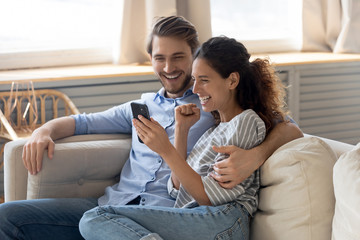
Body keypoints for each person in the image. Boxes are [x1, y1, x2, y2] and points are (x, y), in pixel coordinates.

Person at [0, 16, 302, 240]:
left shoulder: (215, 104)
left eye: (178, 58)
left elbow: (288, 128)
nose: (169, 67)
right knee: (7, 218)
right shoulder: (145, 106)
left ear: (194, 57)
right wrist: (43, 131)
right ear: (151, 60)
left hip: (167, 215)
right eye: (160, 58)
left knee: (95, 221)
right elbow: (83, 122)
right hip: (115, 205)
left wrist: (257, 156)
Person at [79, 36, 288, 240]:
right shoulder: (211, 132)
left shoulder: (245, 122)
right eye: (195, 80)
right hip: (195, 216)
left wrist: (164, 149)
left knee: (96, 218)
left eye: (204, 80)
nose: (196, 90)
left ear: (232, 80)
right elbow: (177, 188)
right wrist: (181, 130)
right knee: (99, 220)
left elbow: (209, 198)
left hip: (224, 221)